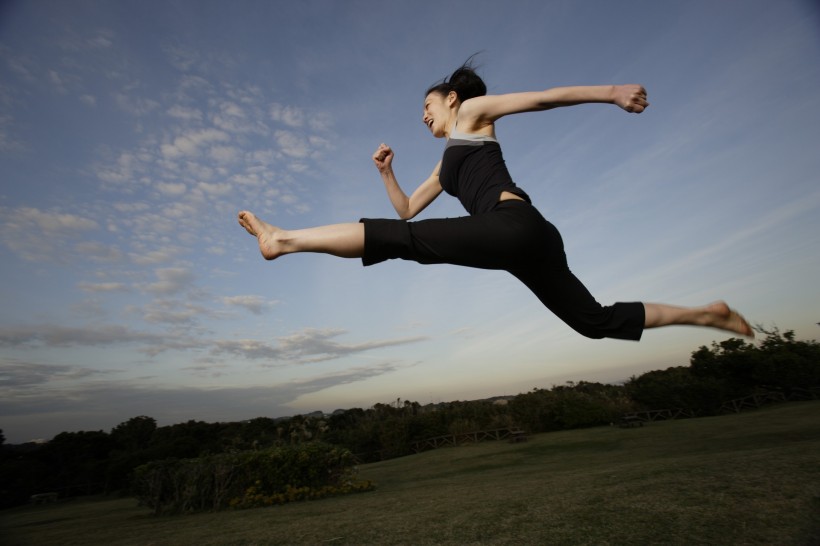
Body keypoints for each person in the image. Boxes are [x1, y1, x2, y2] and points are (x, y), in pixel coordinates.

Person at [238, 60, 754, 340]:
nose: (423, 116)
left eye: (427, 105)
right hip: (527, 241)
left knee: (404, 243)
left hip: (514, 226)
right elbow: (406, 208)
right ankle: (708, 316)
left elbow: (542, 98)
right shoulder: (448, 160)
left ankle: (283, 239)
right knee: (592, 322)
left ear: (453, 100)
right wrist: (387, 172)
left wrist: (613, 91)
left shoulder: (473, 115)